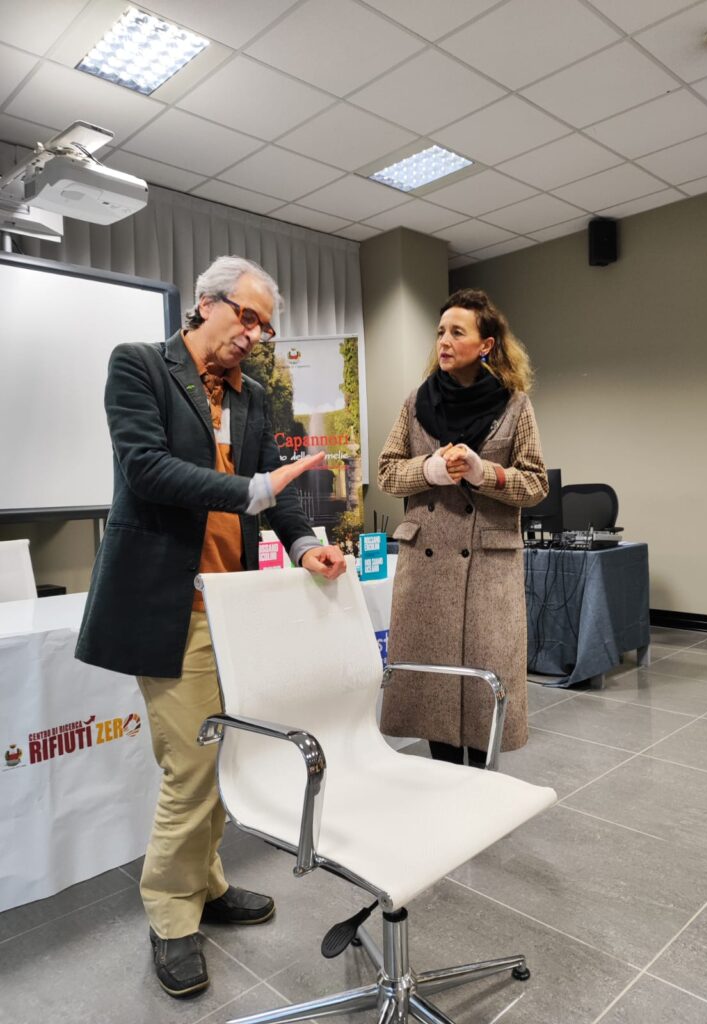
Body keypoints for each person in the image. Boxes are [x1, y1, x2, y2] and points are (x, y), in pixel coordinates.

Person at [75, 255, 345, 997]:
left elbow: (279, 494)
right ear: (204, 303)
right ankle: (170, 914)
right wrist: (253, 489)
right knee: (192, 768)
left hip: (236, 611)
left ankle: (209, 883)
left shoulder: (253, 395)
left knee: (226, 758)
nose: (254, 334)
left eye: (265, 326)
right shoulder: (139, 366)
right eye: (246, 316)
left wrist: (305, 545)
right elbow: (146, 469)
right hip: (171, 606)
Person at [378, 288, 547, 767]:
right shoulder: (416, 403)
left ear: (486, 344)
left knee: (482, 696)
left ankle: (480, 791)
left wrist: (484, 473)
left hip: (488, 572)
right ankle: (445, 787)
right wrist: (429, 469)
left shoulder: (515, 405)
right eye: (440, 332)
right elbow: (388, 471)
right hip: (426, 572)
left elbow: (535, 483)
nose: (444, 342)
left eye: (457, 332)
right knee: (433, 694)